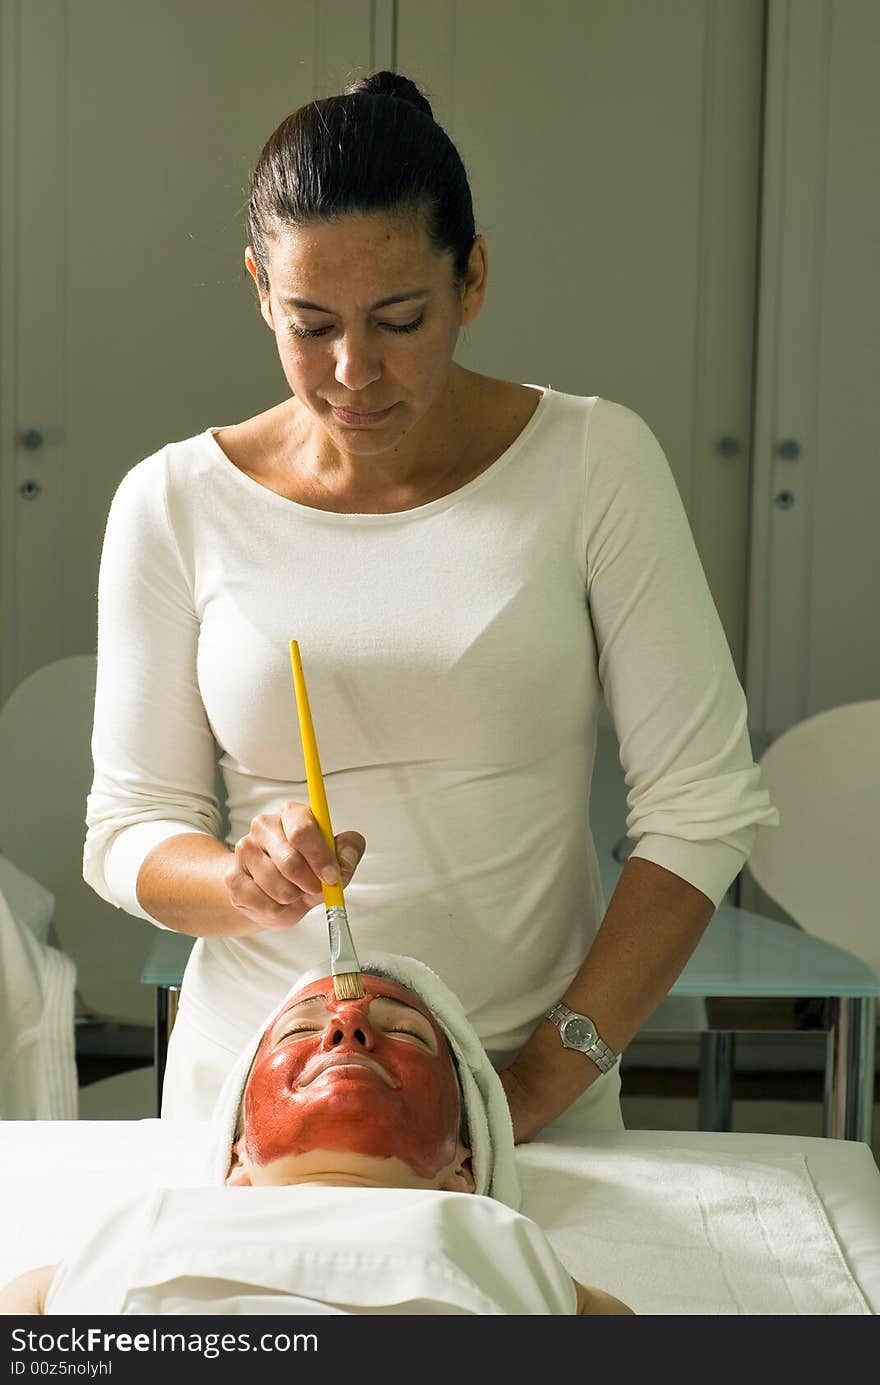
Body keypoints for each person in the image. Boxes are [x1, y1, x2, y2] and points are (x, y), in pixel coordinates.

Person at [82, 69, 778, 1134]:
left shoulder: (594, 462)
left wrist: (545, 1077)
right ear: (259, 288)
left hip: (530, 1089)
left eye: (398, 318)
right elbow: (129, 830)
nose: (355, 370)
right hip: (262, 1101)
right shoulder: (174, 500)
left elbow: (703, 804)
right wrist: (240, 882)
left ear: (474, 278)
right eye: (310, 323)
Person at [0, 956, 634, 1315]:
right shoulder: (153, 1219)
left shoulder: (496, 1237)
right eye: (301, 1031)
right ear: (236, 1157)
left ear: (463, 1171)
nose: (346, 1030)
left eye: (407, 1035)